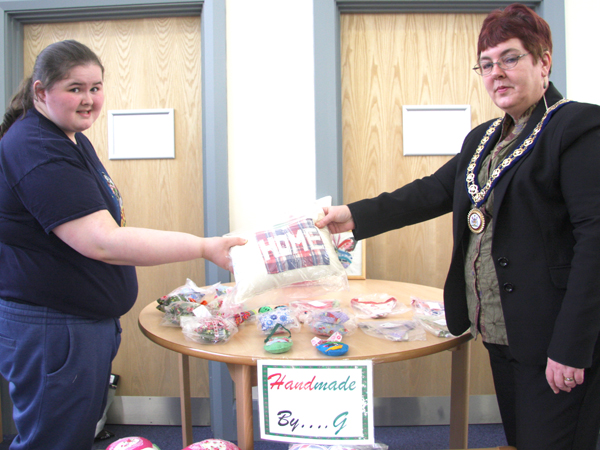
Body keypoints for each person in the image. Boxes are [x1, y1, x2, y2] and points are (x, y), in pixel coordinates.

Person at [317, 4, 600, 449]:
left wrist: (571, 347)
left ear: (544, 61)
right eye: (486, 64)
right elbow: (430, 192)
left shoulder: (575, 127)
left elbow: (595, 245)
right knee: (523, 440)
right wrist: (352, 216)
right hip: (500, 331)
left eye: (510, 58)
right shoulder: (485, 137)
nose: (496, 74)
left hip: (550, 338)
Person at [0, 40, 245, 450]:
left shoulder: (68, 136)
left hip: (77, 324)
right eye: (75, 88)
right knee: (52, 441)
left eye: (96, 88)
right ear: (41, 92)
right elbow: (103, 242)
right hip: (53, 329)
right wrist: (205, 246)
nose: (89, 100)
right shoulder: (38, 148)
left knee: (71, 435)